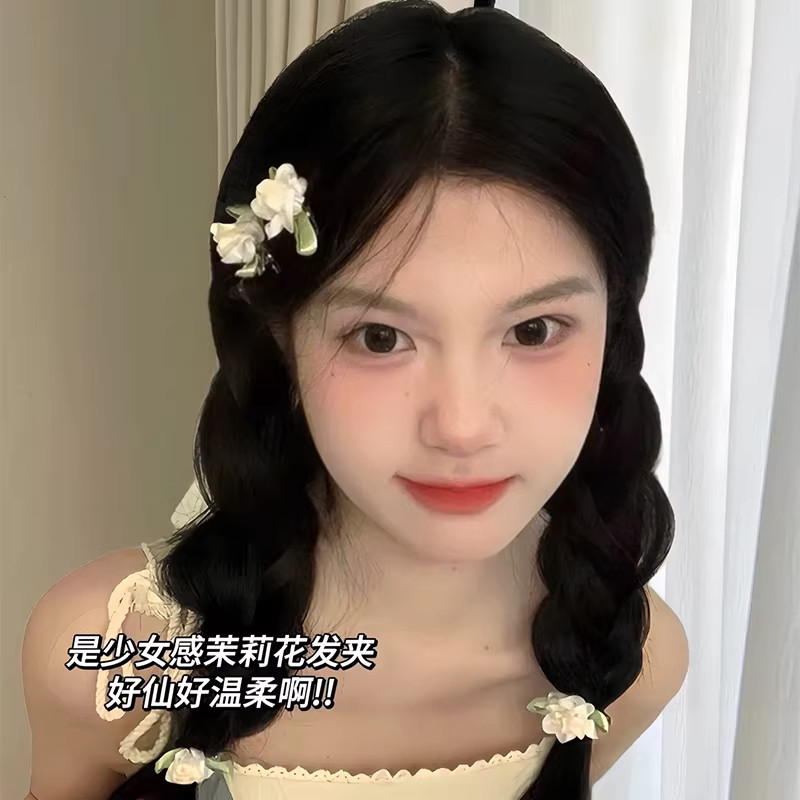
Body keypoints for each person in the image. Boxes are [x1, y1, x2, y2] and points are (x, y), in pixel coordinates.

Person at [21, 1, 690, 799]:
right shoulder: (111, 660)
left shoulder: (629, 660)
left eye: (535, 330)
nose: (462, 426)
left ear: (613, 327)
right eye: (380, 337)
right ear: (278, 338)